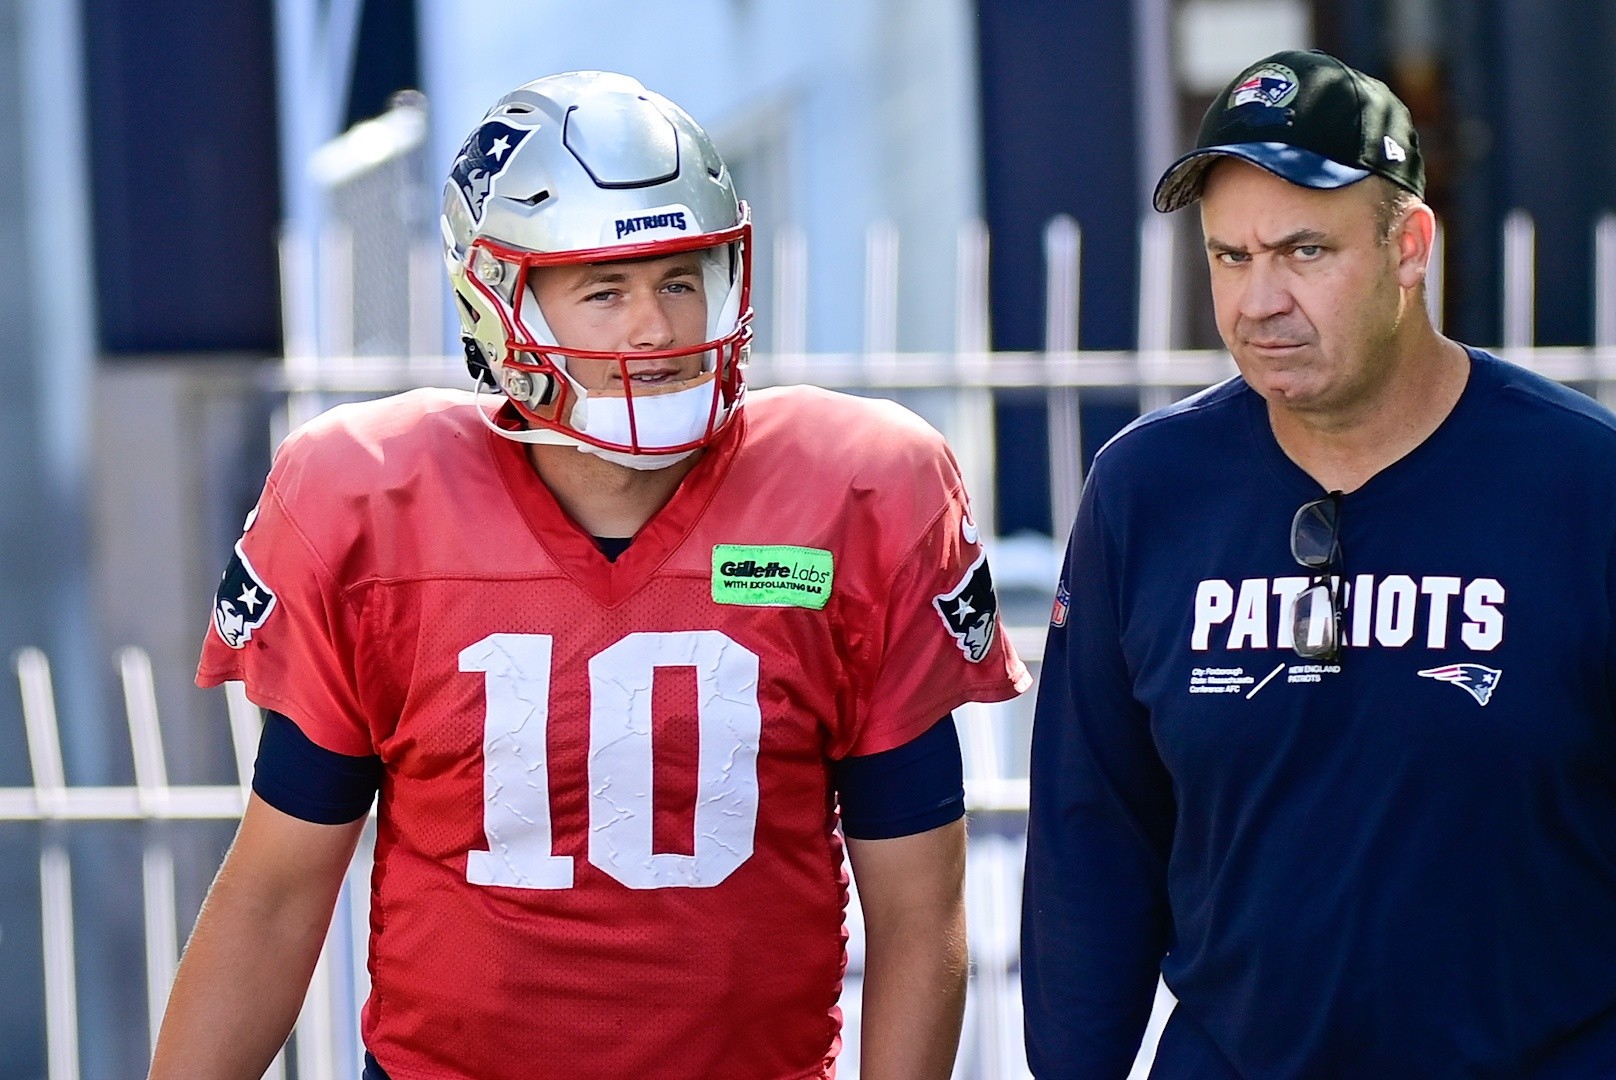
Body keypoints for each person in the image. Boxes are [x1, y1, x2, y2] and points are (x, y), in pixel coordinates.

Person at [151, 71, 1028, 1080]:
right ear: (499, 304)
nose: (653, 332)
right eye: (605, 290)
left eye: (679, 278)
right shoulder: (370, 501)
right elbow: (277, 893)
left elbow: (921, 910)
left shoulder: (862, 491)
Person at [1021, 49, 1616, 1079]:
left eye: (1304, 250)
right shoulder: (1144, 493)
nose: (1259, 300)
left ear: (1410, 246)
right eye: (1230, 257)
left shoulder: (1600, 493)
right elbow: (1093, 841)